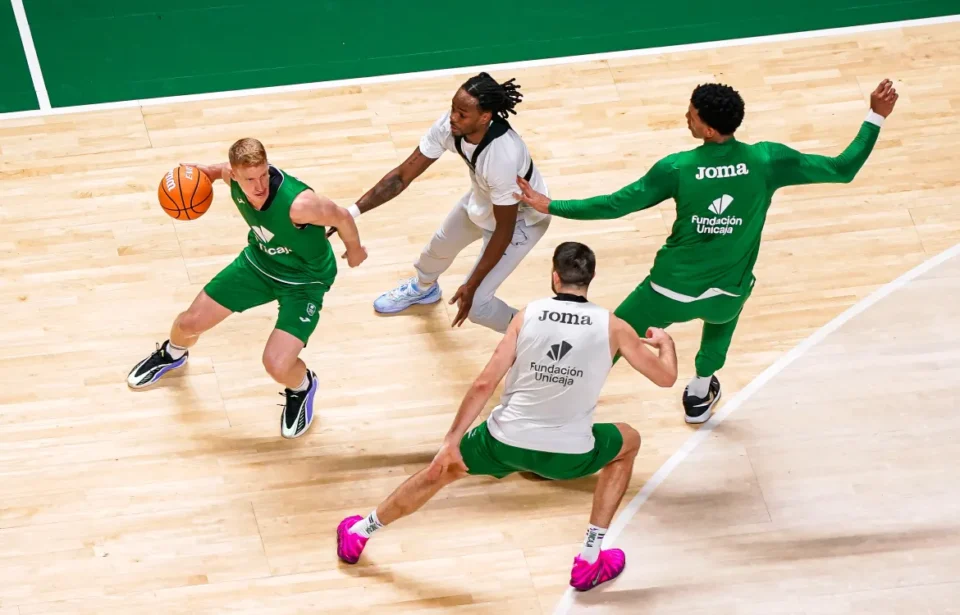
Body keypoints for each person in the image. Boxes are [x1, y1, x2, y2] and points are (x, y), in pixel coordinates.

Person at [515, 79, 900, 424]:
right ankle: (700, 394)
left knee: (609, 342)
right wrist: (876, 116)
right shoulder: (767, 160)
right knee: (719, 333)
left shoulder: (678, 167)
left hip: (667, 292)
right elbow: (843, 169)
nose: (687, 117)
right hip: (726, 294)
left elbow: (616, 205)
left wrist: (553, 205)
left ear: (709, 129)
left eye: (693, 115)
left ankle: (559, 410)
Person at [335, 242, 678, 591]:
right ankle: (590, 558)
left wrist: (451, 441)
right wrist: (666, 345)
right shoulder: (615, 327)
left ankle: (360, 532)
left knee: (437, 473)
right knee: (629, 441)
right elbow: (666, 378)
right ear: (591, 278)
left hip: (502, 443)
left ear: (555, 276)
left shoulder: (527, 315)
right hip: (569, 454)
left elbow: (484, 383)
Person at [126, 138, 368, 439]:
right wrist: (206, 173)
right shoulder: (231, 177)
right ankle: (173, 354)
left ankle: (302, 386)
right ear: (236, 175)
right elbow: (220, 171)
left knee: (277, 365)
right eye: (250, 179)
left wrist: (354, 249)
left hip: (305, 282)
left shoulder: (300, 204)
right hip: (258, 264)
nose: (260, 185)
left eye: (263, 175)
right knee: (187, 323)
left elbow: (341, 216)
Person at [328, 72, 551, 332]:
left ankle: (537, 334)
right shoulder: (450, 127)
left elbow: (504, 229)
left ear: (484, 117)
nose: (453, 118)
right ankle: (424, 289)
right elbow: (401, 177)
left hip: (521, 220)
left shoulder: (502, 156)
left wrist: (472, 284)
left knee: (477, 306)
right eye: (453, 109)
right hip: (485, 199)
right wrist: (349, 213)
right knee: (436, 251)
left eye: (462, 114)